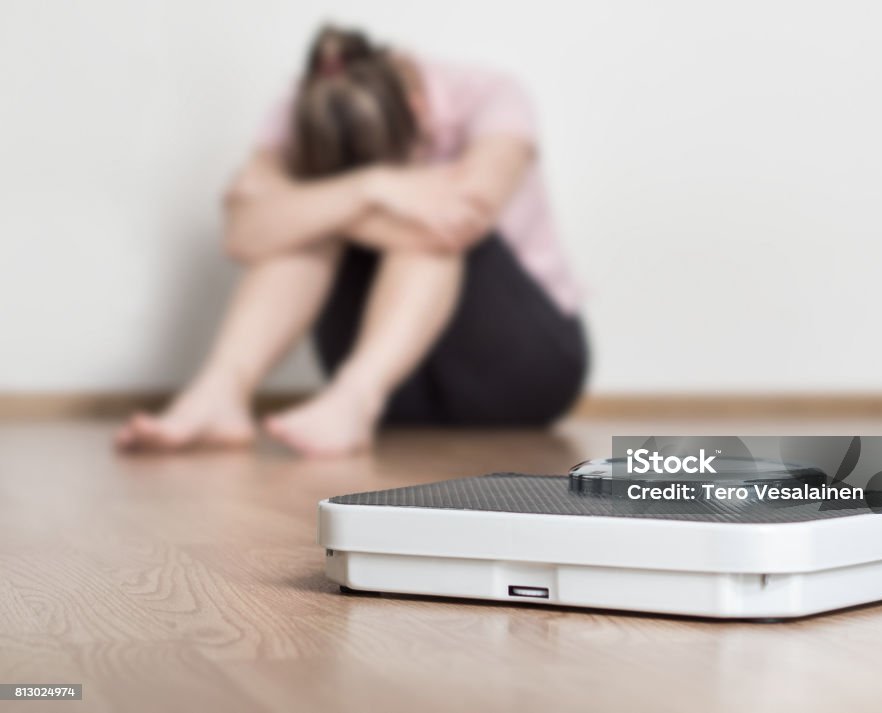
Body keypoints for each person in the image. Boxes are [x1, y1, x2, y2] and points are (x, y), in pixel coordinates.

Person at [115, 24, 586, 458]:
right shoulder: (307, 106)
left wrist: (327, 204)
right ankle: (220, 392)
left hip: (522, 370)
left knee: (423, 226)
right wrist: (371, 188)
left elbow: (461, 216)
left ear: (418, 111)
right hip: (402, 395)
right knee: (305, 224)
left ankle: (354, 397)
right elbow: (241, 233)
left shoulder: (490, 93)